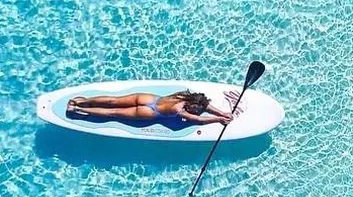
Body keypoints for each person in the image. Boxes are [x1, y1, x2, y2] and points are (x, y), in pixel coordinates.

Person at [66, 90, 232, 124]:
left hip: (147, 98)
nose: (199, 109)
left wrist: (222, 112)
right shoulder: (178, 110)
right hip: (150, 111)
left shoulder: (183, 95)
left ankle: (79, 101)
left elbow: (205, 105)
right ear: (192, 105)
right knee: (113, 112)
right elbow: (198, 120)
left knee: (113, 100)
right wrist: (218, 119)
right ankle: (78, 110)